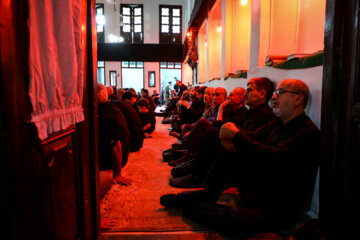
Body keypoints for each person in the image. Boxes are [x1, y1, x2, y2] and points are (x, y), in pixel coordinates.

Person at [160, 79, 320, 235]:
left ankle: (196, 206)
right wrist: (230, 135)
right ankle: (207, 194)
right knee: (226, 146)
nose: (274, 97)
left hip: (276, 207)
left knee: (230, 220)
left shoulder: (307, 132)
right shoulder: (278, 122)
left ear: (298, 99)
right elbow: (252, 136)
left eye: (280, 92)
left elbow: (272, 156)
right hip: (257, 189)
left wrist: (236, 137)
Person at [97, 83, 132, 191]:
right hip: (126, 152)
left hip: (115, 160)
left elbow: (116, 144)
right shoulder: (111, 107)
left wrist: (117, 174)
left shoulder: (103, 116)